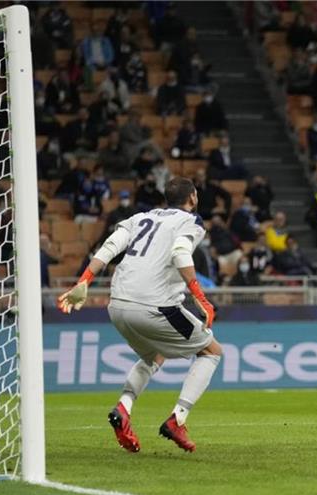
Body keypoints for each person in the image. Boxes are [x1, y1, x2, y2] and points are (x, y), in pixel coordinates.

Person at [57, 177, 221, 453]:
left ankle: (124, 407)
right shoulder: (190, 221)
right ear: (192, 198)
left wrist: (83, 281)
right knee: (212, 351)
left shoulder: (140, 217)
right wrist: (201, 297)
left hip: (118, 306)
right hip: (155, 307)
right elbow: (181, 252)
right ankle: (177, 420)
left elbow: (108, 248)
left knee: (153, 355)